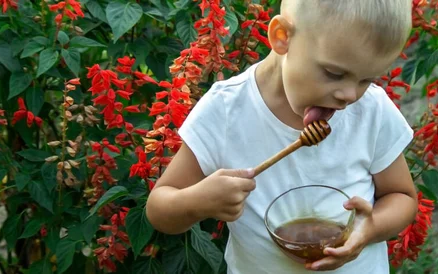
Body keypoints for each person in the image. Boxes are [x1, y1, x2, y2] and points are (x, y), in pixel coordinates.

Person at [146, 0, 418, 273]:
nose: (349, 95)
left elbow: (402, 197)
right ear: (282, 37)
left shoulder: (370, 109)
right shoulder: (227, 111)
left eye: (366, 80)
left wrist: (370, 228)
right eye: (334, 73)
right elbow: (159, 210)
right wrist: (197, 201)